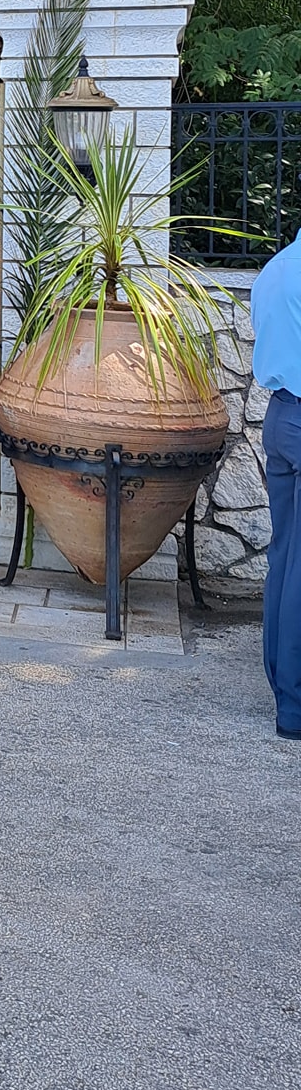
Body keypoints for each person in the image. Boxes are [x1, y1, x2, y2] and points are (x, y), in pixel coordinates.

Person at [251, 232, 301, 739]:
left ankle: (283, 687)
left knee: (284, 555)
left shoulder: (274, 270)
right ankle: (295, 703)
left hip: (281, 415)